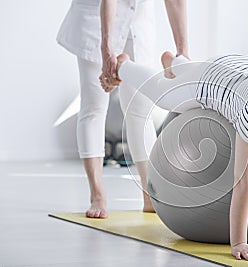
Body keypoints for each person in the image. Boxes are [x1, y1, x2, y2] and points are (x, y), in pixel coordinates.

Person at [101, 35, 248, 261]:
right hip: (216, 77)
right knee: (165, 96)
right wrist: (239, 243)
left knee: (187, 75)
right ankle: (125, 66)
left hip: (247, 73)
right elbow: (244, 181)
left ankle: (179, 65)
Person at [57, 0, 188, 218]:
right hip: (97, 17)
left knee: (139, 107)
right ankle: (97, 195)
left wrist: (183, 52)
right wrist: (106, 50)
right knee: (94, 104)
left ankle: (150, 194)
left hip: (138, 19)